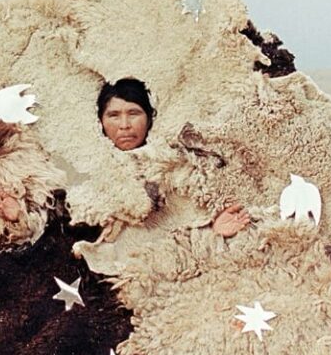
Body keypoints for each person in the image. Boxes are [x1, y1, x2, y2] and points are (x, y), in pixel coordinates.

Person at [95, 77, 250, 237]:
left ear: (149, 119)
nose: (124, 125)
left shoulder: (183, 165)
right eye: (114, 115)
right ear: (101, 121)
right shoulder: (94, 178)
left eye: (134, 113)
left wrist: (214, 227)